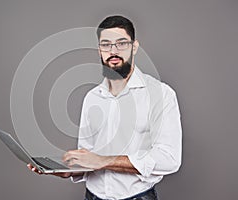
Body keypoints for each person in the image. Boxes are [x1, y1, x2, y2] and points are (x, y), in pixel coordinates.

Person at [28, 15, 182, 200]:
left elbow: (169, 159)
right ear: (99, 50)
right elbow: (88, 158)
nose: (113, 51)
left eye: (121, 43)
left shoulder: (161, 94)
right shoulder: (92, 98)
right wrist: (68, 171)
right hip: (92, 196)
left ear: (134, 46)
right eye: (106, 44)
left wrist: (104, 161)